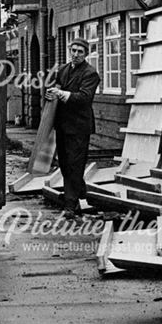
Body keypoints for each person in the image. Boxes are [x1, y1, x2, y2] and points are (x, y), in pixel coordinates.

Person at [46, 38, 100, 213]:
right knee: (64, 162)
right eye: (73, 50)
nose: (76, 55)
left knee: (75, 163)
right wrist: (50, 95)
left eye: (80, 52)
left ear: (86, 54)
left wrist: (60, 93)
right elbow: (55, 89)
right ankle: (80, 191)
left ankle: (70, 203)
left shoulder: (91, 73)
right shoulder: (62, 70)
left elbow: (84, 98)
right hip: (62, 124)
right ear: (70, 50)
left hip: (78, 126)